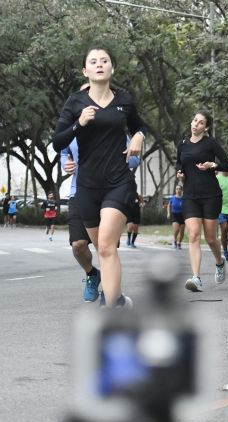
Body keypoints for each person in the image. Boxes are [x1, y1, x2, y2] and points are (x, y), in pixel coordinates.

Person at [53, 46, 144, 308]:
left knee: (106, 246)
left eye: (104, 61)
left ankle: (111, 310)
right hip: (87, 187)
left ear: (112, 68)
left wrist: (138, 135)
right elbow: (58, 141)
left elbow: (138, 125)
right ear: (86, 71)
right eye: (93, 62)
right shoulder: (75, 102)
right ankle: (118, 299)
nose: (99, 64)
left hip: (118, 182)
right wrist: (78, 123)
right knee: (101, 249)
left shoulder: (124, 99)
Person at [176, 110, 228, 292]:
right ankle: (196, 277)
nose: (195, 124)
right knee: (193, 235)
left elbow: (227, 165)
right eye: (194, 120)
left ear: (205, 127)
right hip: (190, 195)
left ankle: (219, 262)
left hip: (210, 196)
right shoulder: (183, 144)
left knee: (210, 238)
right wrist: (180, 174)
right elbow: (180, 164)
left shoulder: (211, 143)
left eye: (200, 123)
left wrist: (212, 165)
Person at [61, 138, 102, 302]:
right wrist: (66, 163)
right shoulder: (73, 127)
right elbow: (64, 152)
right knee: (78, 245)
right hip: (78, 191)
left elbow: (133, 158)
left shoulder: (112, 117)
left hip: (108, 193)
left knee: (105, 246)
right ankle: (92, 274)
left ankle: (110, 288)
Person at [166, 185, 185, 250]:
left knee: (182, 231)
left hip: (182, 215)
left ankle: (179, 243)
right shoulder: (172, 198)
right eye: (177, 189)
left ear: (181, 190)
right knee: (176, 229)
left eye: (179, 189)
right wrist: (168, 213)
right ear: (175, 190)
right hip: (175, 215)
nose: (178, 190)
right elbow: (169, 205)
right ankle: (174, 240)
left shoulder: (184, 198)